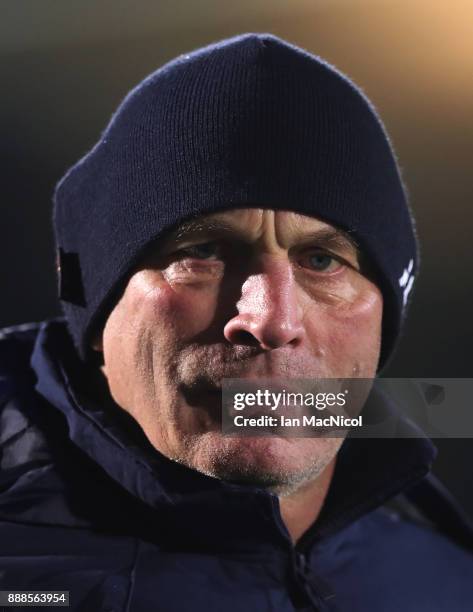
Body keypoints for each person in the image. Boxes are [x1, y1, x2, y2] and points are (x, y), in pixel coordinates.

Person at [0, 33, 472, 612]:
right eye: (202, 252)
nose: (271, 321)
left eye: (322, 261)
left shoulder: (444, 578)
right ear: (93, 311)